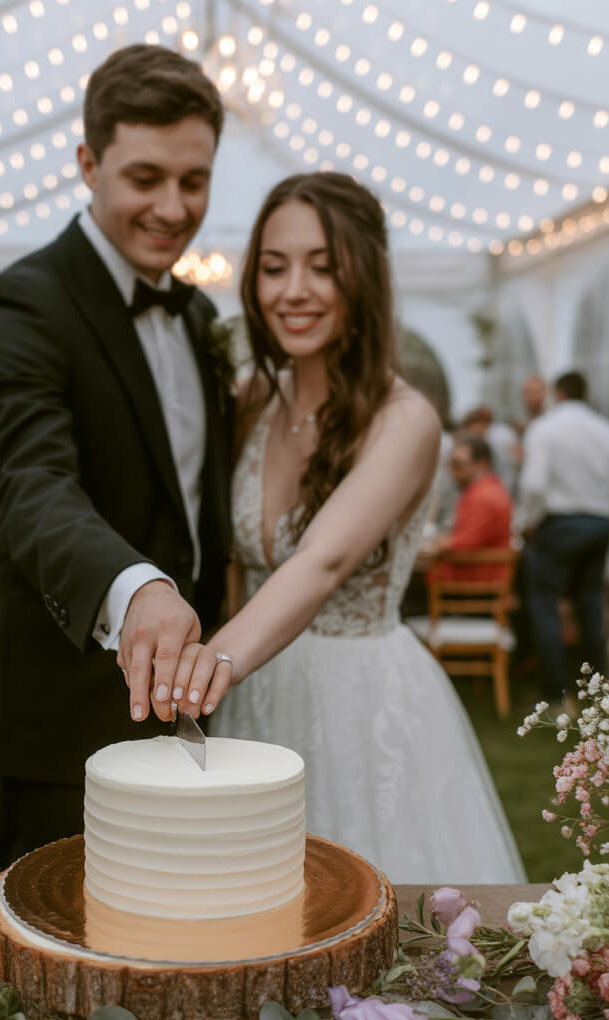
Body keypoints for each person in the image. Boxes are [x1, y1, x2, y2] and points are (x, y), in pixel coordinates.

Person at [176, 172, 524, 884]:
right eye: (274, 267)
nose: (292, 289)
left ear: (363, 276)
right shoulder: (251, 404)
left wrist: (202, 672)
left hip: (363, 704)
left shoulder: (405, 420)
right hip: (257, 690)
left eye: (322, 266)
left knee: (365, 914)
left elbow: (321, 564)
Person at [0, 45, 232, 868]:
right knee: (61, 973)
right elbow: (26, 482)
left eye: (195, 180)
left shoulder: (197, 314)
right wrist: (137, 584)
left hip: (192, 702)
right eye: (145, 177)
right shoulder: (18, 303)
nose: (173, 206)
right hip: (59, 717)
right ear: (88, 163)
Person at [520, 371, 609, 704]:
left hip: (560, 524)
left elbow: (534, 484)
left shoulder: (545, 428)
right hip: (599, 523)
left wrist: (528, 522)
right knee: (591, 605)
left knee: (545, 604)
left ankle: (558, 692)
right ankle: (598, 692)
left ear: (558, 394)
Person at [429, 435, 513, 582]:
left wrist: (440, 543)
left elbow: (466, 543)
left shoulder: (484, 496)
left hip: (474, 579)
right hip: (477, 575)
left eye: (458, 465)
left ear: (481, 463)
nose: (452, 472)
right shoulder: (485, 489)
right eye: (451, 465)